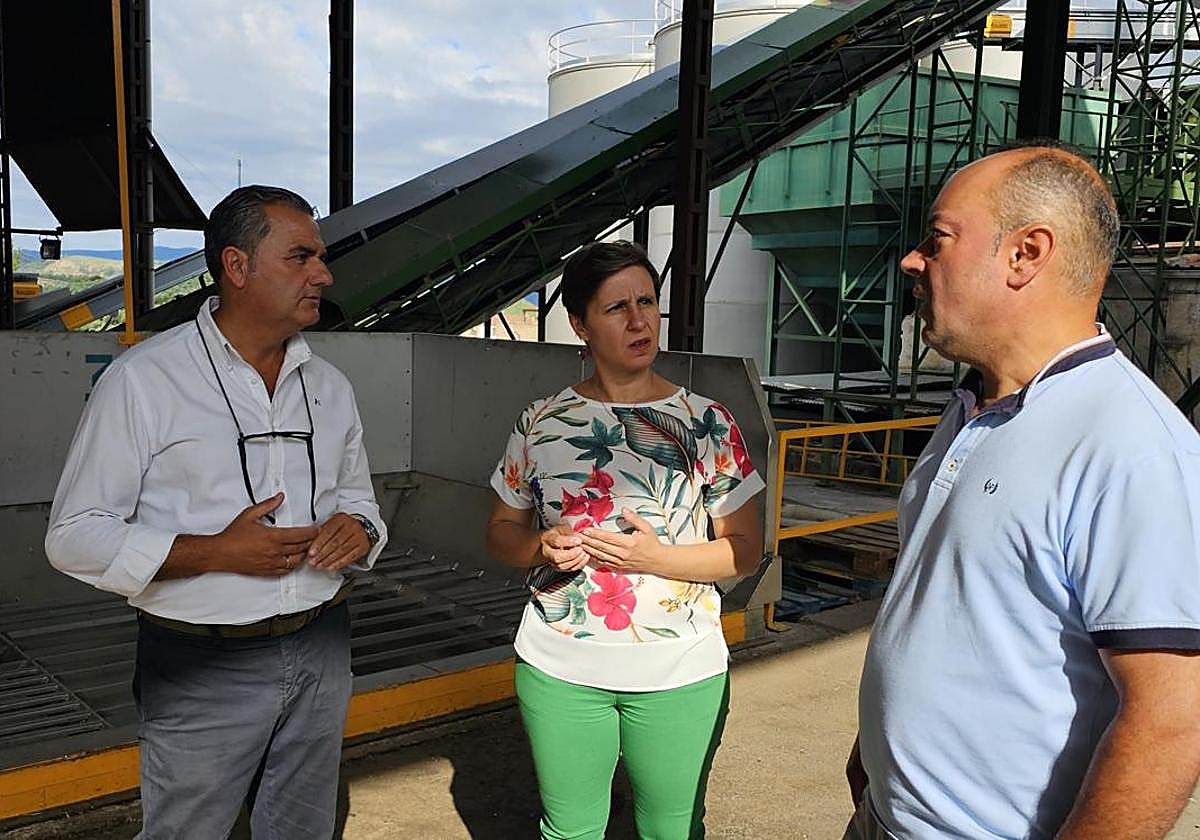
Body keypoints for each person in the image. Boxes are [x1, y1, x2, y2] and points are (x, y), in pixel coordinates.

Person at [845, 144, 1200, 840]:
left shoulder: (1132, 448)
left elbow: (1172, 720)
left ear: (1025, 255)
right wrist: (874, 758)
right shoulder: (974, 404)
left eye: (938, 239)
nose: (914, 261)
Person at [45, 185, 388, 839]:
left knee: (302, 830)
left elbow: (359, 500)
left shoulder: (330, 387)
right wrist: (212, 552)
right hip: (202, 665)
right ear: (236, 267)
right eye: (302, 256)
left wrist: (361, 529)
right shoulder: (145, 382)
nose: (324, 273)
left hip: (321, 643)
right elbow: (73, 537)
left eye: (320, 257)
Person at [486, 240, 765, 839]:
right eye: (617, 308)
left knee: (671, 828)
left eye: (648, 301)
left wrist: (655, 557)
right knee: (569, 830)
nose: (640, 320)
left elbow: (746, 550)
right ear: (580, 324)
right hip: (559, 667)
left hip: (679, 668)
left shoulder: (709, 422)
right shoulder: (539, 422)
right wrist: (539, 545)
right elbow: (501, 534)